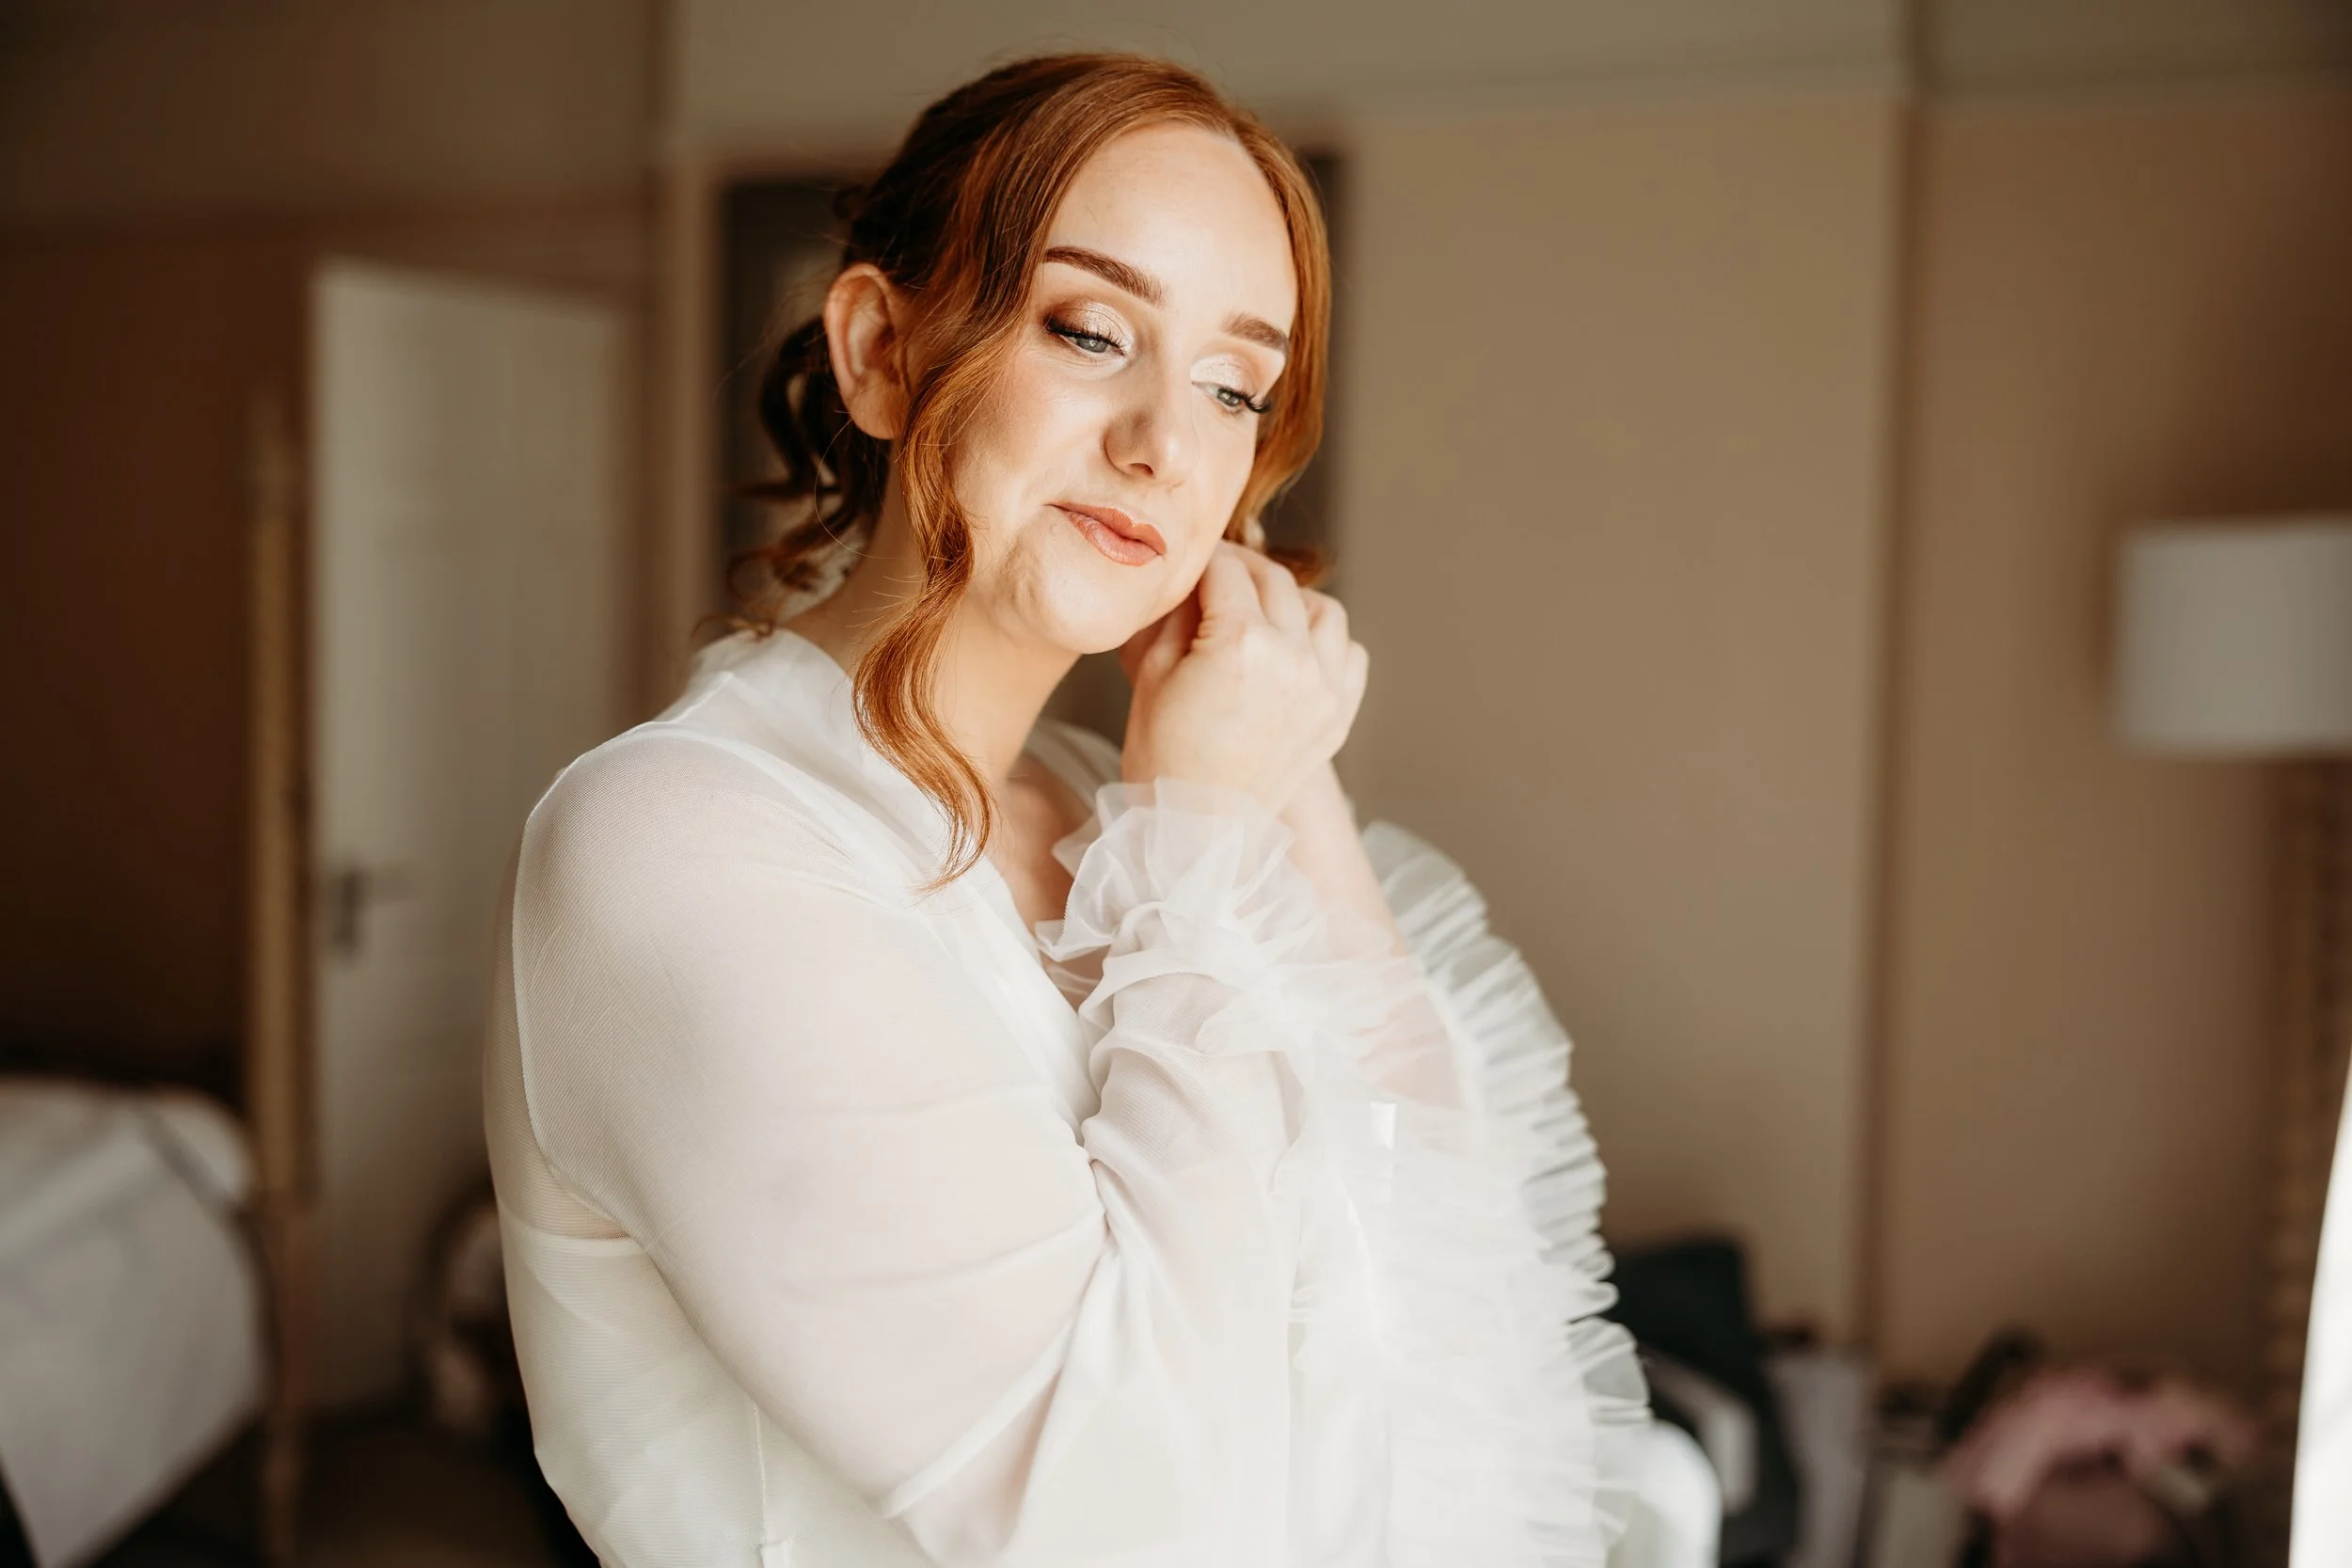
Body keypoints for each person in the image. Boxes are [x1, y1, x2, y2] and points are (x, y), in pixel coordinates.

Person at [485, 52, 1645, 1567]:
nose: (1167, 444)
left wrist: (1283, 791)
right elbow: (1140, 1523)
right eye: (1093, 331)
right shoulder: (678, 846)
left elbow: (1449, 1299)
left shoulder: (1131, 798)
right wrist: (1209, 838)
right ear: (881, 352)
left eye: (1236, 384)